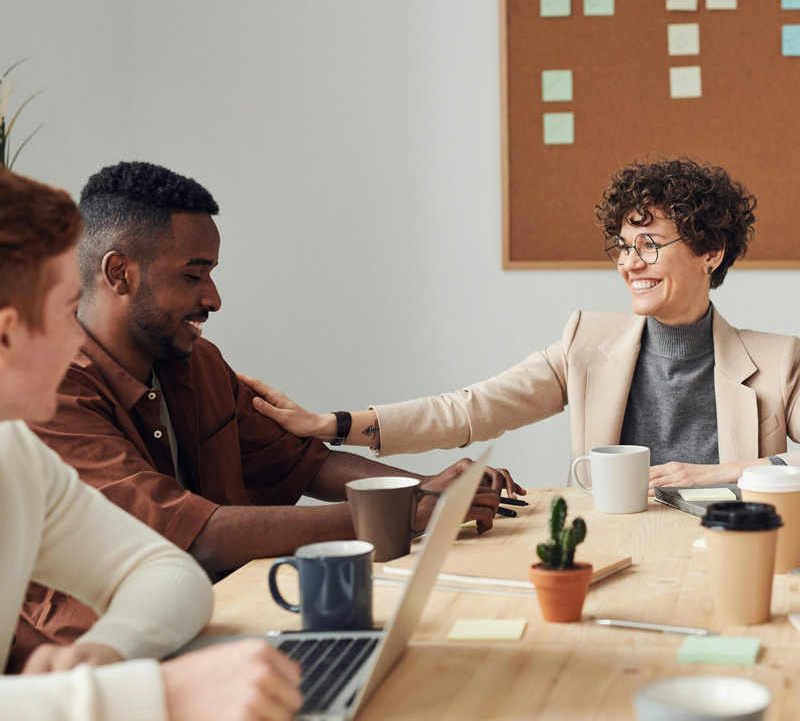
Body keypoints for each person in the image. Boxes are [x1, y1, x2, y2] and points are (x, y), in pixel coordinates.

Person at [15, 160, 513, 668]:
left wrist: (425, 491)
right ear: (119, 273)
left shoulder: (195, 359)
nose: (213, 298)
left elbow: (302, 463)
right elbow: (195, 537)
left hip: (228, 624)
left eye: (211, 273)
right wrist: (402, 515)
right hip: (113, 671)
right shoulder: (47, 400)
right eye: (193, 275)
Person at [242, 158, 800, 489]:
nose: (630, 263)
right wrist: (332, 423)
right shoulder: (587, 343)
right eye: (623, 246)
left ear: (710, 252)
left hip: (736, 554)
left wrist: (724, 473)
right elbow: (469, 410)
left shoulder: (778, 362)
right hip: (611, 554)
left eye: (649, 245)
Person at [0, 166, 302, 721]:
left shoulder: (14, 454)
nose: (81, 336)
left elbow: (166, 572)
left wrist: (104, 653)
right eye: (68, 310)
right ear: (6, 334)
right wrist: (161, 695)